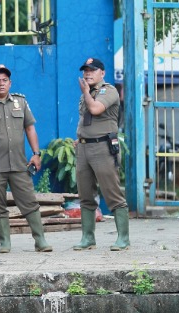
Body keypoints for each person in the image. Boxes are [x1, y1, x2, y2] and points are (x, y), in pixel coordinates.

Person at [0, 64, 51, 253]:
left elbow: (30, 128)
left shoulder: (20, 102)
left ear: (10, 83)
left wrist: (36, 153)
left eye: (4, 80)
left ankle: (40, 241)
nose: (1, 84)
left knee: (29, 202)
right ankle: (5, 242)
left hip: (18, 163)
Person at [73, 57, 129, 251]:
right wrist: (79, 138)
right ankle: (88, 238)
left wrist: (86, 93)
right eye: (85, 70)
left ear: (102, 73)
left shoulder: (109, 90)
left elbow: (95, 109)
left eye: (92, 70)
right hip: (83, 147)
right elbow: (85, 119)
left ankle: (123, 238)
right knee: (85, 194)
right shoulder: (86, 93)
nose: (87, 73)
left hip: (103, 148)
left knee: (112, 192)